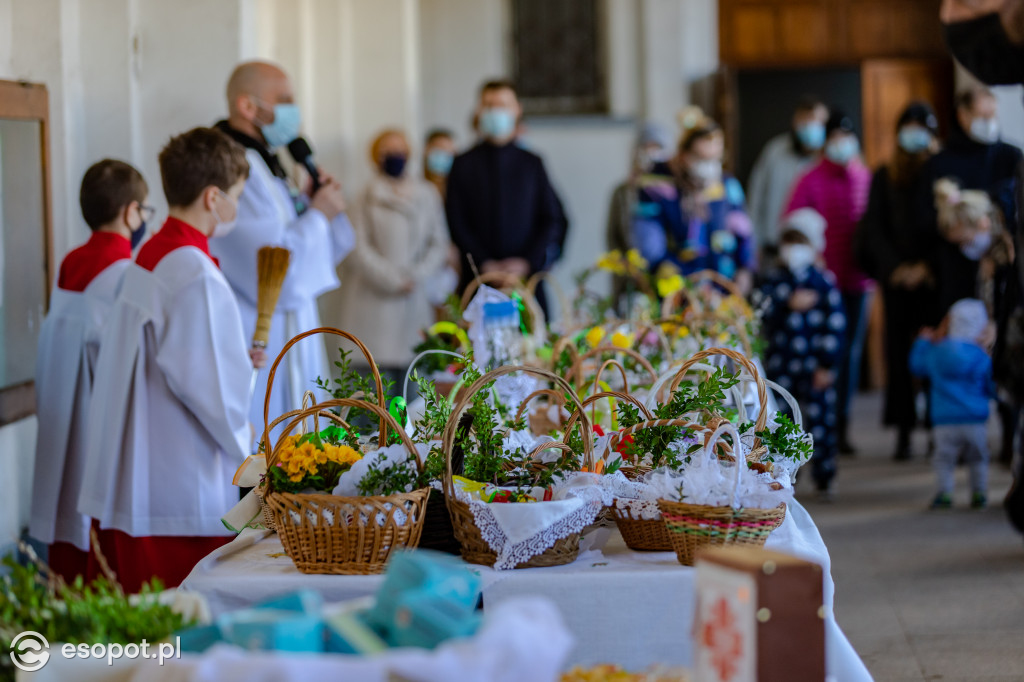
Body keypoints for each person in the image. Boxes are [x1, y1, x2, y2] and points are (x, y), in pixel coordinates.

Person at [78, 128, 256, 593]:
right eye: (236, 196)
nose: (237, 207)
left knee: (144, 634)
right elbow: (210, 388)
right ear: (212, 196)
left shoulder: (150, 255)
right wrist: (250, 446)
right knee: (178, 635)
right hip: (178, 481)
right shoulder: (193, 271)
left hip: (140, 470)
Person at [212, 61, 355, 432]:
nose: (294, 110)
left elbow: (321, 251)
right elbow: (274, 267)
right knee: (273, 439)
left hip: (291, 324)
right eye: (285, 99)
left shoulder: (266, 161)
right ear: (248, 106)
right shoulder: (233, 165)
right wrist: (319, 216)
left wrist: (311, 206)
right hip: (263, 330)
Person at [29, 159, 150, 583]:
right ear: (130, 211)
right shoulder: (125, 274)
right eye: (144, 211)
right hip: (97, 418)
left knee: (64, 523)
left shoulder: (69, 263)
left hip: (59, 413)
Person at [855, 102, 941, 460]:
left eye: (920, 126)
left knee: (936, 353)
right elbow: (873, 228)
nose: (913, 133)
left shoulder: (941, 170)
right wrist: (897, 268)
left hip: (935, 278)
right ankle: (904, 431)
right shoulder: (884, 174)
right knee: (899, 354)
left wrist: (924, 266)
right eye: (908, 126)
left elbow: (944, 227)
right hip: (895, 278)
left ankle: (940, 428)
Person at [785, 110, 872, 455]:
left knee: (849, 354)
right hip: (821, 286)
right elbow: (791, 225)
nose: (840, 145)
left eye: (845, 138)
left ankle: (842, 424)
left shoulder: (864, 177)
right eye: (834, 138)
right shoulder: (808, 179)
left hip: (857, 280)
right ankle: (816, 427)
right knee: (821, 356)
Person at [336, 129, 452, 378]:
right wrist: (394, 280)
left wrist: (415, 276)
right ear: (375, 156)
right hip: (372, 304)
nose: (395, 156)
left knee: (415, 394)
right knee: (373, 393)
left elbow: (438, 243)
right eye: (387, 151)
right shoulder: (362, 196)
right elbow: (356, 248)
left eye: (400, 150)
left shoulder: (427, 194)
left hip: (414, 300)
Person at [445, 79, 568, 309]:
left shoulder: (532, 163)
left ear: (517, 109)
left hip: (524, 282)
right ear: (479, 110)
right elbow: (455, 220)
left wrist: (526, 261)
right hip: (478, 281)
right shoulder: (463, 164)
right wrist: (484, 262)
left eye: (502, 104)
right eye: (489, 104)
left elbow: (552, 218)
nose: (495, 110)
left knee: (532, 342)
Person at [757, 208, 845, 499]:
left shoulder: (823, 281)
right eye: (789, 242)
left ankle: (825, 476)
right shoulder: (773, 281)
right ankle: (786, 473)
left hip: (814, 365)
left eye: (800, 243)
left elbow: (835, 324)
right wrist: (786, 304)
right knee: (781, 422)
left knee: (820, 421)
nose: (794, 250)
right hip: (781, 365)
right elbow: (760, 314)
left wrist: (827, 365)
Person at [632, 108, 755, 292]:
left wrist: (746, 269)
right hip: (678, 291)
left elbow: (743, 232)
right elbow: (650, 245)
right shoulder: (656, 187)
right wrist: (679, 282)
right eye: (702, 159)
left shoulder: (727, 185)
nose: (710, 167)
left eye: (716, 159)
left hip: (724, 288)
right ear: (684, 155)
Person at [910, 299, 994, 510]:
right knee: (978, 458)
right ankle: (979, 493)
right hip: (975, 419)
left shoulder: (936, 352)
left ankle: (944, 493)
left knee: (943, 460)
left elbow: (916, 366)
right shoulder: (981, 356)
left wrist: (922, 342)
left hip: (943, 420)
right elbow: (991, 385)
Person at [748, 96, 829, 253]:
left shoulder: (828, 158)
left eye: (816, 122)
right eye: (805, 121)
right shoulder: (774, 150)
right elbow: (756, 195)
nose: (810, 127)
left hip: (816, 250)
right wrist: (753, 241)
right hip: (773, 245)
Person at [606, 122, 674, 304]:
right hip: (632, 283)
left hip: (668, 280)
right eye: (647, 147)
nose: (652, 153)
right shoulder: (623, 192)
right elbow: (614, 237)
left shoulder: (674, 193)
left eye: (658, 147)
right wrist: (627, 269)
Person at [423, 128, 456, 200]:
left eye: (449, 151)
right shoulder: (415, 186)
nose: (444, 154)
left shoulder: (458, 188)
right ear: (426, 150)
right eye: (440, 148)